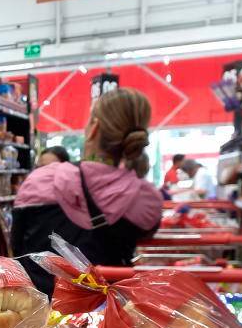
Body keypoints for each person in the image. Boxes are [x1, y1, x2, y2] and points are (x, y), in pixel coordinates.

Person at [12, 88, 163, 294]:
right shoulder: (147, 200)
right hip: (107, 315)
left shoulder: (40, 180)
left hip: (42, 315)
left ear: (94, 128)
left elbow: (18, 249)